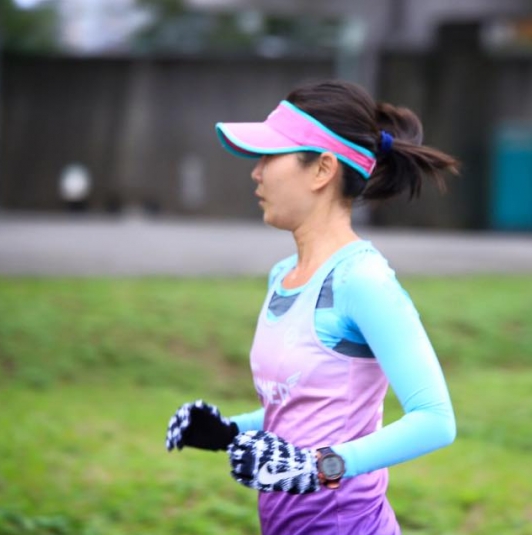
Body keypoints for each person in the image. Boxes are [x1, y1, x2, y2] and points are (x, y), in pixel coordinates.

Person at [165, 80, 458, 535]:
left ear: (322, 169)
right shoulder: (283, 276)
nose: (256, 173)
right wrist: (231, 431)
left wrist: (321, 467)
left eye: (270, 157)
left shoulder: (363, 281)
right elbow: (307, 408)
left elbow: (435, 420)